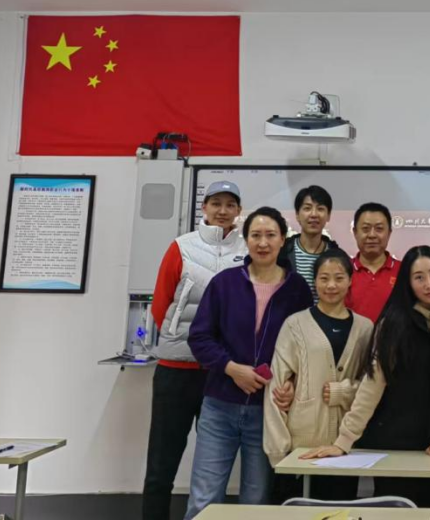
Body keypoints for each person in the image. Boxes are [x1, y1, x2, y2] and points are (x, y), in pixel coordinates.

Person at [302, 246, 430, 508]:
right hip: (393, 438)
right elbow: (372, 384)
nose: (429, 284)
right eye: (419, 277)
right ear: (407, 282)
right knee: (395, 508)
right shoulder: (394, 323)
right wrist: (344, 441)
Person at [184, 207, 312, 516]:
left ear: (283, 240)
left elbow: (306, 349)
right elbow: (199, 338)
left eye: (270, 235)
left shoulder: (297, 289)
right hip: (219, 406)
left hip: (268, 412)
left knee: (256, 501)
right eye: (256, 235)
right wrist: (231, 368)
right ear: (246, 239)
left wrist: (292, 383)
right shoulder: (224, 283)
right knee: (203, 499)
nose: (263, 242)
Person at [142, 180, 247, 520]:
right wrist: (179, 339)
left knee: (212, 467)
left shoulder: (247, 249)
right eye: (216, 203)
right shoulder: (182, 247)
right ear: (204, 207)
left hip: (221, 373)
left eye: (230, 204)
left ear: (238, 210)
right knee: (161, 462)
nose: (222, 211)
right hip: (176, 371)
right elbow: (161, 304)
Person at [264, 249, 373, 501]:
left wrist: (343, 391)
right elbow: (276, 387)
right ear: (315, 281)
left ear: (350, 280)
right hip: (300, 447)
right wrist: (279, 452)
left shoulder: (365, 328)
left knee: (340, 511)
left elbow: (372, 387)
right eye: (324, 278)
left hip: (345, 447)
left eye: (339, 278)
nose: (331, 285)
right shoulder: (295, 324)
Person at [277, 184, 339, 300]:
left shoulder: (337, 255)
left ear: (328, 215)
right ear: (297, 215)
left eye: (320, 209)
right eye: (307, 208)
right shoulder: (282, 253)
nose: (314, 214)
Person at [346, 202, 401, 323]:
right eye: (365, 229)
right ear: (355, 232)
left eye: (379, 229)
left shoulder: (404, 270)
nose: (372, 235)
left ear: (389, 233)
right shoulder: (343, 270)